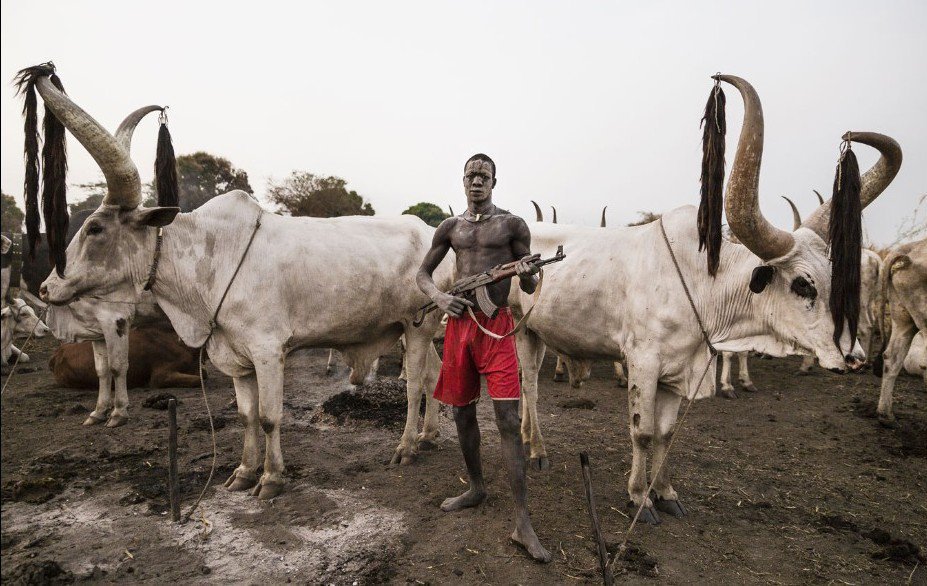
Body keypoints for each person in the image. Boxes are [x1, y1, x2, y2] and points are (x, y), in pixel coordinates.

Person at [416, 153, 551, 563]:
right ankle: (475, 488)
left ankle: (522, 522)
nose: (477, 181)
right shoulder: (450, 228)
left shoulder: (512, 225)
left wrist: (526, 274)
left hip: (496, 328)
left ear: (494, 182)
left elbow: (529, 284)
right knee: (461, 414)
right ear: (463, 181)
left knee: (508, 419)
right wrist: (440, 297)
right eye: (471, 175)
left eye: (484, 176)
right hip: (460, 328)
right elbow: (423, 274)